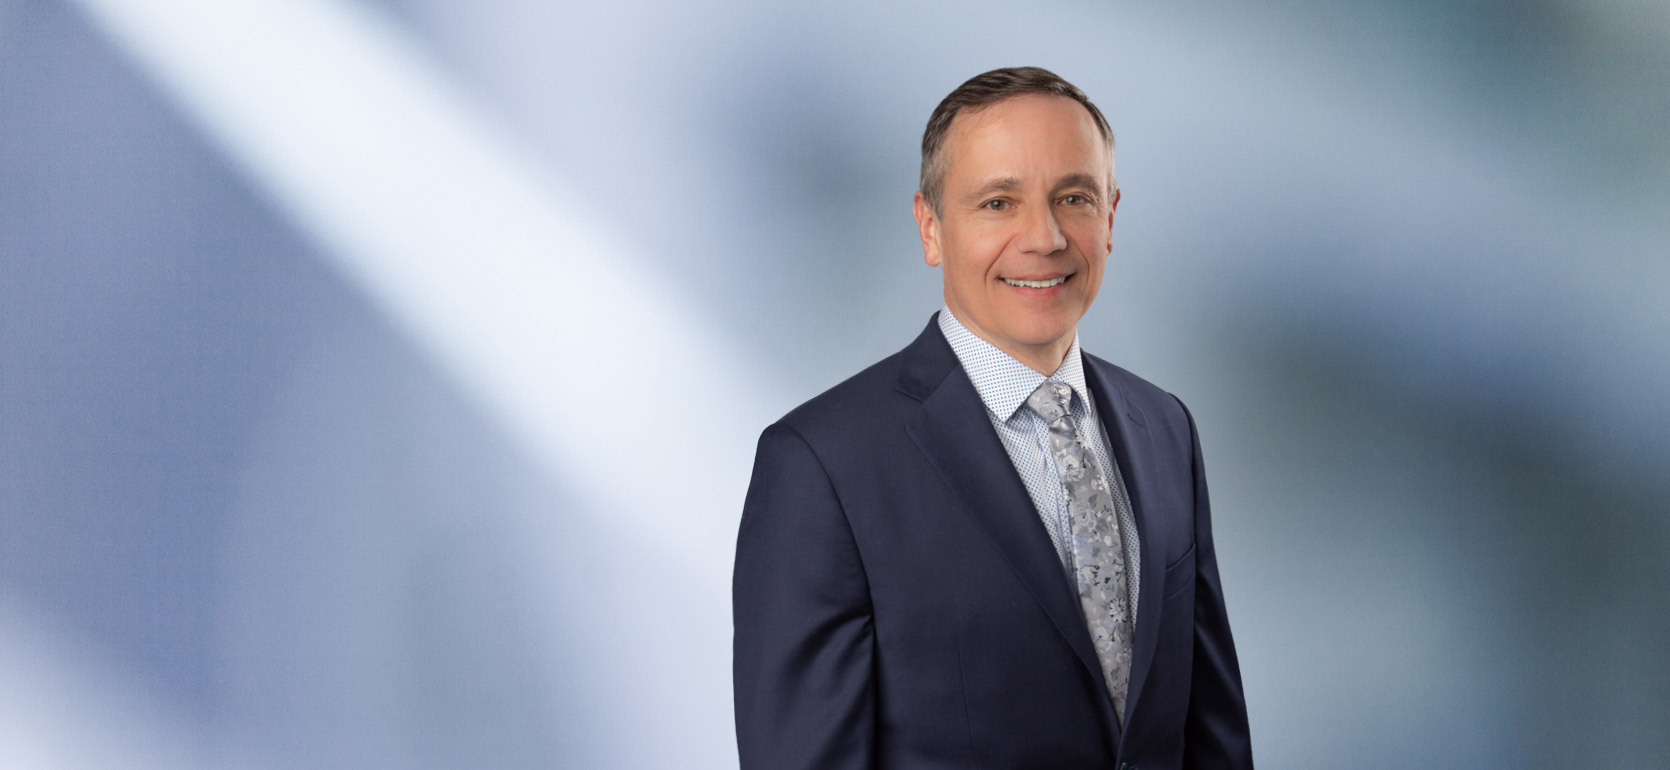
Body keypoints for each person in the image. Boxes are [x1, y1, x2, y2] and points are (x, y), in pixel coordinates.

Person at [733, 66, 1252, 769]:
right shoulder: (822, 464)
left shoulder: (1165, 429)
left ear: (1110, 218)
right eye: (998, 203)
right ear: (931, 228)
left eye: (1073, 197)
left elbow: (1211, 737)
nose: (1043, 238)